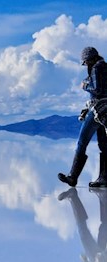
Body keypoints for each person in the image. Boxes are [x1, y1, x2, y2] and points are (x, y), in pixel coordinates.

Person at [58, 47, 107, 187]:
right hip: (106, 111)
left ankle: (73, 177)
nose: (85, 65)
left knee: (82, 142)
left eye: (85, 62)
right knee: (104, 145)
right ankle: (104, 178)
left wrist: (85, 85)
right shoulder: (105, 67)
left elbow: (97, 89)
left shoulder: (96, 68)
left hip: (98, 109)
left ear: (89, 59)